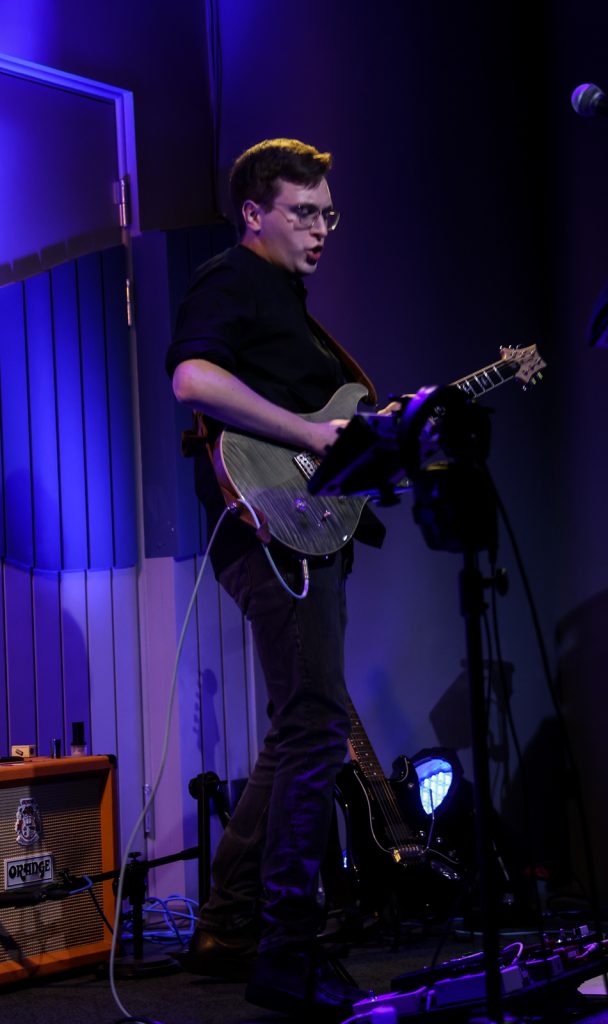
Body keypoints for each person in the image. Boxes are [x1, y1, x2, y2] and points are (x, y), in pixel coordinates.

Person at [165, 138, 385, 1018]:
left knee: (300, 727)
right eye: (303, 211)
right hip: (266, 533)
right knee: (316, 728)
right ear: (254, 213)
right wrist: (307, 435)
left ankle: (226, 925)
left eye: (329, 213)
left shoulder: (286, 302)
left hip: (299, 530)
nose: (321, 227)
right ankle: (288, 951)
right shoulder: (233, 277)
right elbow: (192, 377)